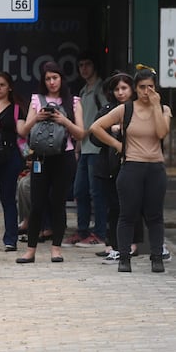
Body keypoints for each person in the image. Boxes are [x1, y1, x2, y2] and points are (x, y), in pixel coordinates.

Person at [89, 65, 172, 273]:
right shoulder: (126, 109)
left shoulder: (163, 109)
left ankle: (156, 257)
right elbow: (95, 127)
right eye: (142, 87)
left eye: (150, 87)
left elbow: (162, 133)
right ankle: (124, 258)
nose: (146, 92)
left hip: (155, 167)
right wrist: (117, 145)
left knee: (155, 216)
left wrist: (155, 106)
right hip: (131, 165)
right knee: (127, 214)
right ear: (136, 88)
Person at [16, 61, 84, 264]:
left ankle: (56, 248)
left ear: (62, 79)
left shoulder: (73, 101)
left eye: (55, 77)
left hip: (64, 156)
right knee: (37, 203)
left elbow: (82, 132)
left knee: (58, 204)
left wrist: (64, 121)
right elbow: (23, 131)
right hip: (41, 157)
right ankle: (31, 250)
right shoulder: (36, 99)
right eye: (48, 79)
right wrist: (37, 117)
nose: (52, 82)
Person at [89, 71, 143, 264]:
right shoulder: (107, 109)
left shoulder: (138, 109)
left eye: (124, 88)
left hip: (134, 162)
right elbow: (93, 136)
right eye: (117, 89)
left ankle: (133, 244)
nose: (120, 92)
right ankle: (111, 245)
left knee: (132, 206)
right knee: (112, 206)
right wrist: (110, 134)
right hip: (109, 165)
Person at [64, 52, 107, 248]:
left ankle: (99, 233)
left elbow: (106, 117)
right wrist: (77, 148)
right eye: (80, 65)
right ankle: (82, 231)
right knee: (79, 191)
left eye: (87, 64)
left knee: (96, 192)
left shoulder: (102, 88)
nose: (84, 68)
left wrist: (88, 132)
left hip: (98, 148)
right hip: (84, 148)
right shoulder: (82, 91)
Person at [0, 72, 27, 252]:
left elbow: (22, 131)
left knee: (7, 198)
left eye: (2, 85)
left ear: (9, 87)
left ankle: (11, 238)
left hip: (9, 156)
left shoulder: (16, 108)